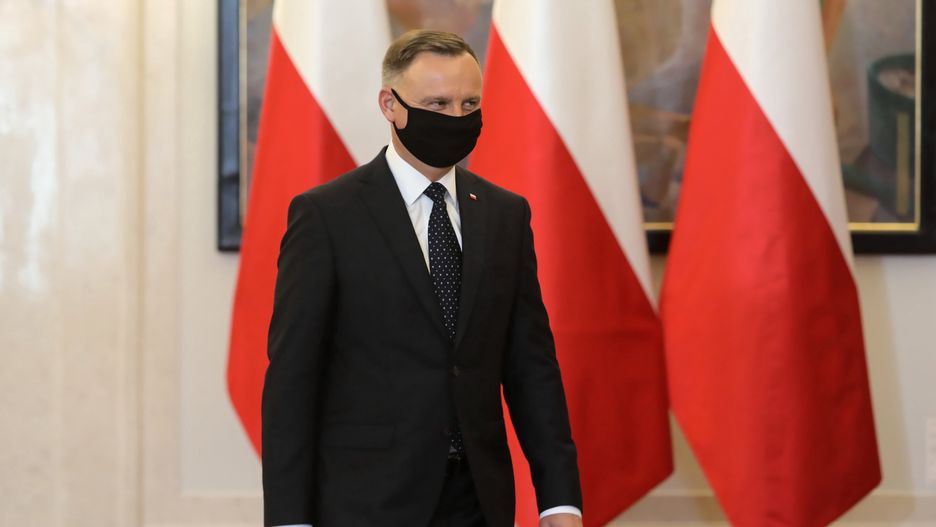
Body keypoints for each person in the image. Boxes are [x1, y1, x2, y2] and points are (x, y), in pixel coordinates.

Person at [262, 29, 583, 527]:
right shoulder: (327, 216)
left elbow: (532, 368)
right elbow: (292, 381)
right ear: (390, 105)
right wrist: (289, 519)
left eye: (469, 103)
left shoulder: (505, 214)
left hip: (479, 502)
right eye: (438, 104)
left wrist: (559, 503)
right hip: (364, 503)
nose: (456, 118)